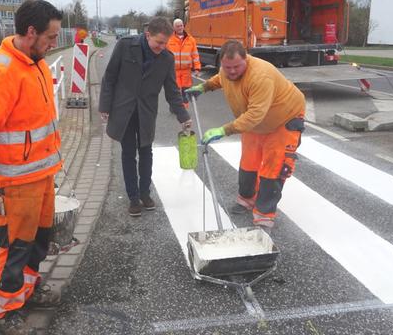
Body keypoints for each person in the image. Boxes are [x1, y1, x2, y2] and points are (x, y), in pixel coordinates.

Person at [0, 0, 63, 335]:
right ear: (30, 32)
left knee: (39, 242)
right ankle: (5, 310)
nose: (53, 44)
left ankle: (27, 293)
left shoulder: (36, 63)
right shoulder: (2, 69)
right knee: (16, 248)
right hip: (17, 183)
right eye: (50, 37)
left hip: (42, 176)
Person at [186, 40, 305, 231]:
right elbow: (220, 78)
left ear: (246, 59)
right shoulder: (227, 71)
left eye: (236, 67)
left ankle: (264, 214)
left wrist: (223, 130)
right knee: (248, 163)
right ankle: (246, 199)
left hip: (283, 119)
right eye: (227, 67)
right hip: (255, 124)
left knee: (273, 168)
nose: (231, 71)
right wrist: (204, 87)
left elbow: (255, 114)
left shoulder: (260, 76)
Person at [99, 17, 192, 217]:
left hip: (146, 111)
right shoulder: (125, 46)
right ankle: (133, 197)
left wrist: (183, 115)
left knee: (146, 152)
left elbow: (172, 90)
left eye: (166, 43)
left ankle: (145, 193)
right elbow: (110, 77)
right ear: (148, 34)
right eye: (159, 42)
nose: (162, 46)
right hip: (124, 110)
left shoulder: (167, 58)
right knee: (128, 153)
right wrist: (104, 106)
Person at [166, 18, 201, 109]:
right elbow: (164, 55)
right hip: (174, 70)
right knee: (175, 90)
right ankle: (175, 107)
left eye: (181, 25)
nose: (180, 27)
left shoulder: (191, 40)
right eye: (177, 26)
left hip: (186, 71)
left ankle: (184, 109)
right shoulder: (169, 40)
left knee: (186, 90)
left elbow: (195, 55)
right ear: (174, 27)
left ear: (183, 26)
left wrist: (197, 68)